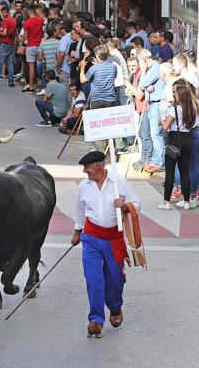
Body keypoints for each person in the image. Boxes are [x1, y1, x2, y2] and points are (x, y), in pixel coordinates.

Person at [71, 151, 141, 338]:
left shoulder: (119, 183)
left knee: (115, 280)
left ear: (98, 167)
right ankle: (95, 320)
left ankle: (115, 307)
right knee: (93, 280)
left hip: (113, 239)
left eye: (87, 168)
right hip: (91, 238)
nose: (85, 172)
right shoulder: (84, 186)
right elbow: (80, 210)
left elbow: (137, 204)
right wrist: (77, 232)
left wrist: (125, 206)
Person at [158, 84, 198, 210]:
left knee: (169, 172)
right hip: (187, 139)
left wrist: (161, 121)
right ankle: (186, 201)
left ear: (179, 95)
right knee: (184, 171)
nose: (173, 94)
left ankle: (166, 202)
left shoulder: (174, 109)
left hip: (175, 139)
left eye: (174, 92)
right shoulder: (192, 108)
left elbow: (165, 126)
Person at [22, 6, 45, 92]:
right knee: (41, 66)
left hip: (30, 46)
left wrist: (23, 41)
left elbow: (25, 36)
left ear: (28, 12)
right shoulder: (41, 20)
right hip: (40, 45)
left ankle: (31, 86)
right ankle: (41, 85)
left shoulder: (27, 23)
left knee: (31, 67)